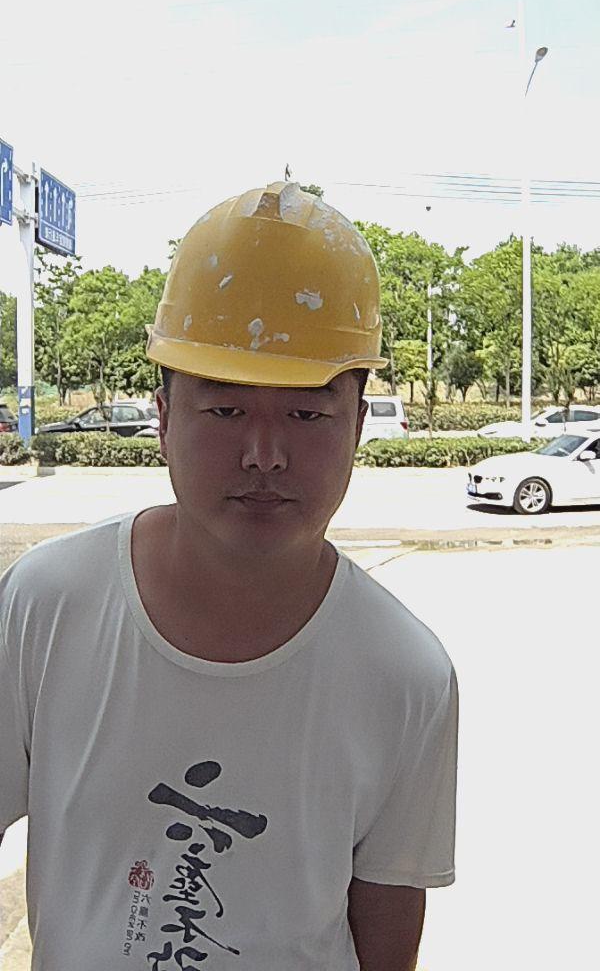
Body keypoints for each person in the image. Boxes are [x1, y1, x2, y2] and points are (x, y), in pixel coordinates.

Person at [0, 181, 458, 970]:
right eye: (225, 410)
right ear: (163, 417)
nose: (264, 455)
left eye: (307, 414)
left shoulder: (406, 673)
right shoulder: (47, 605)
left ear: (358, 425)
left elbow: (387, 930)